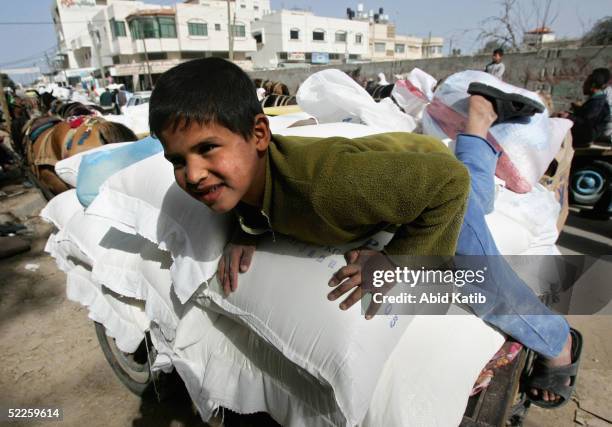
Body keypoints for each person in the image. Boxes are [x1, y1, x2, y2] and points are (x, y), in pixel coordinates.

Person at [149, 58, 580, 408]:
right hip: (398, 170)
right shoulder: (240, 183)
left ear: (260, 134)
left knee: (477, 279)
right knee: (484, 198)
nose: (193, 174)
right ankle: (480, 119)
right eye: (177, 160)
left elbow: (448, 185)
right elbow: (245, 200)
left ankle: (559, 343)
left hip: (430, 177)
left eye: (207, 148)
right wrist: (246, 230)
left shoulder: (326, 188)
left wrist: (397, 258)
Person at [559, 68, 610, 147]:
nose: (583, 86)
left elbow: (587, 124)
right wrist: (576, 110)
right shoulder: (596, 100)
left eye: (585, 83)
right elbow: (586, 116)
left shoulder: (597, 102)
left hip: (586, 137)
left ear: (592, 85)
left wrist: (569, 117)